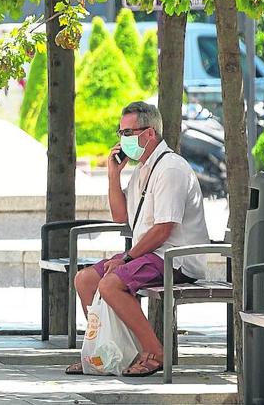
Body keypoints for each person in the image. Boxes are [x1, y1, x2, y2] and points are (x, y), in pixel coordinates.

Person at [64, 101, 210, 377]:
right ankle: (106, 352)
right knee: (85, 279)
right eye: (120, 133)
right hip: (151, 255)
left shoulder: (170, 169)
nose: (123, 140)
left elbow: (164, 229)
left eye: (128, 133)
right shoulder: (144, 169)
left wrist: (126, 258)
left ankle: (155, 352)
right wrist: (113, 175)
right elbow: (121, 216)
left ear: (150, 134)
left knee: (111, 284)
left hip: (175, 258)